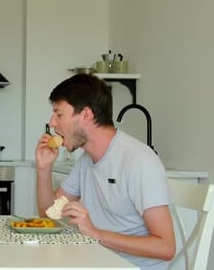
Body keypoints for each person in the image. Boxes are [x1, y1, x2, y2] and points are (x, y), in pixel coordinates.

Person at [35, 73, 175, 270]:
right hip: (98, 262)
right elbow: (49, 216)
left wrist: (95, 233)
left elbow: (166, 247)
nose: (52, 123)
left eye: (59, 114)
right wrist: (43, 169)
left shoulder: (138, 160)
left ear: (85, 115)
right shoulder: (86, 161)